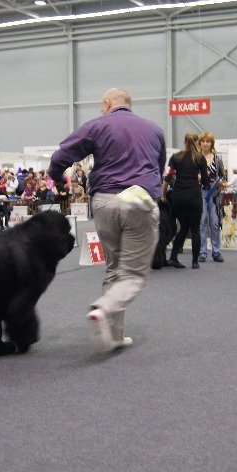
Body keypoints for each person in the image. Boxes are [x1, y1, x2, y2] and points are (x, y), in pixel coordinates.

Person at [49, 87, 164, 354]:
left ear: (107, 103)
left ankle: (113, 335)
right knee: (133, 274)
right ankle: (104, 308)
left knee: (114, 268)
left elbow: (61, 156)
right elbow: (158, 168)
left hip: (104, 201)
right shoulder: (155, 130)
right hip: (139, 202)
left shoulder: (97, 126)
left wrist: (56, 178)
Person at [163, 131, 208, 269]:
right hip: (194, 196)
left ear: (184, 142)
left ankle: (173, 257)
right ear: (197, 142)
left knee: (183, 227)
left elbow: (168, 177)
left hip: (179, 197)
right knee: (195, 229)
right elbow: (206, 181)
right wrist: (199, 180)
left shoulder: (175, 157)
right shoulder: (200, 159)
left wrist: (163, 195)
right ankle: (195, 262)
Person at [197, 131, 226, 263]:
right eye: (203, 141)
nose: (205, 144)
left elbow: (223, 176)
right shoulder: (196, 158)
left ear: (211, 143)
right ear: (200, 143)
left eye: (208, 141)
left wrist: (221, 182)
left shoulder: (218, 159)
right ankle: (202, 252)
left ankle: (216, 251)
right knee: (202, 223)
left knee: (214, 223)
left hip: (214, 195)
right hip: (200, 193)